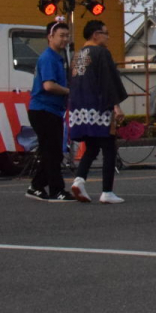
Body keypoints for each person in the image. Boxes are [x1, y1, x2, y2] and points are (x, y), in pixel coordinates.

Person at [67, 20, 128, 204]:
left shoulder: (77, 56)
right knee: (109, 148)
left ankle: (79, 180)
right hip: (99, 106)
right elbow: (108, 81)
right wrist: (116, 106)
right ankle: (107, 191)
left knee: (92, 147)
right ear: (95, 34)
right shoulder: (101, 53)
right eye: (105, 33)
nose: (108, 37)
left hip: (80, 108)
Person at [27, 21, 73, 202]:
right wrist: (69, 91)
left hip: (50, 110)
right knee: (52, 151)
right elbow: (48, 85)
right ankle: (56, 190)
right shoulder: (48, 58)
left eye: (67, 36)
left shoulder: (57, 58)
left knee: (52, 151)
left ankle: (36, 186)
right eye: (61, 36)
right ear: (50, 37)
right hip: (43, 110)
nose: (65, 40)